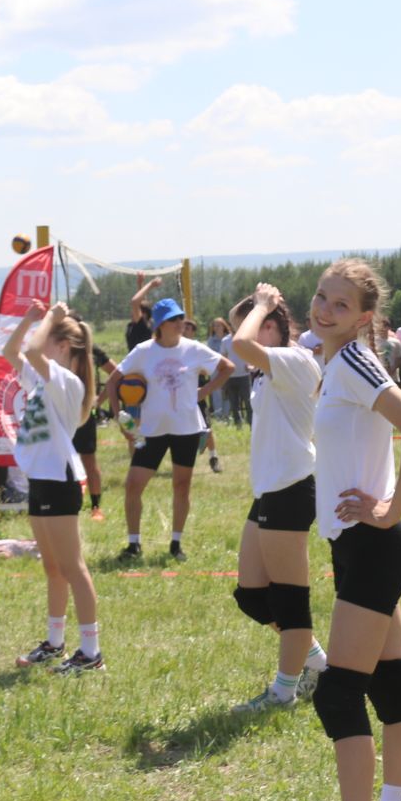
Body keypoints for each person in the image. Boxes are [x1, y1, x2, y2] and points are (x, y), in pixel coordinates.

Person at [284, 259, 401, 801]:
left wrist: (389, 508)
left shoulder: (352, 361)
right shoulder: (336, 360)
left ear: (365, 316)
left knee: (338, 694)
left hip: (373, 547)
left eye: (340, 304)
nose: (324, 310)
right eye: (321, 297)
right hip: (363, 548)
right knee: (393, 688)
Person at [227, 284, 329, 714]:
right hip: (270, 488)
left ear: (268, 325)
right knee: (252, 595)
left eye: (251, 322)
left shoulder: (294, 360)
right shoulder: (273, 370)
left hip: (292, 485)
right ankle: (319, 663)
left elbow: (241, 343)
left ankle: (284, 692)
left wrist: (265, 303)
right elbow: (244, 344)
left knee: (290, 598)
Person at [7, 300, 103, 675]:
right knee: (53, 569)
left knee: (73, 567)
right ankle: (55, 643)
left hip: (60, 481)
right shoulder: (44, 379)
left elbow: (31, 350)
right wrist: (32, 319)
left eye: (48, 336)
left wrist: (52, 316)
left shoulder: (68, 382)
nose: (40, 340)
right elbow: (12, 351)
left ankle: (91, 652)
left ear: (63, 345)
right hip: (42, 482)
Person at [103, 297, 233, 562]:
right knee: (133, 486)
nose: (181, 323)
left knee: (181, 485)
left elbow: (226, 368)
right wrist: (119, 416)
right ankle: (133, 544)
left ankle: (176, 543)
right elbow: (114, 380)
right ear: (161, 324)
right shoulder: (143, 350)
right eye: (174, 319)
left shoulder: (194, 349)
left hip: (186, 429)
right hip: (151, 430)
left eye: (181, 318)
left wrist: (203, 392)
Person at [72, 342, 119, 522]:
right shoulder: (58, 348)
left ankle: (96, 507)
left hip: (85, 413)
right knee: (63, 461)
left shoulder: (92, 350)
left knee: (89, 459)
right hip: (62, 413)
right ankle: (69, 504)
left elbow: (115, 372)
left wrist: (99, 400)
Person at [184, 316, 226, 474]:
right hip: (182, 396)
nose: (184, 330)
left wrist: (192, 368)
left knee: (207, 430)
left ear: (193, 332)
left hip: (198, 394)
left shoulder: (198, 348)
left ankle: (213, 458)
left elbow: (208, 369)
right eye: (183, 327)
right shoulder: (177, 349)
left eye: (188, 328)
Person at [125, 277, 161, 351]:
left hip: (139, 362)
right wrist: (140, 283)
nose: (132, 312)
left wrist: (151, 284)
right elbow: (142, 303)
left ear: (143, 314)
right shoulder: (145, 324)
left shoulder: (143, 327)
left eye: (136, 310)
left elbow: (135, 302)